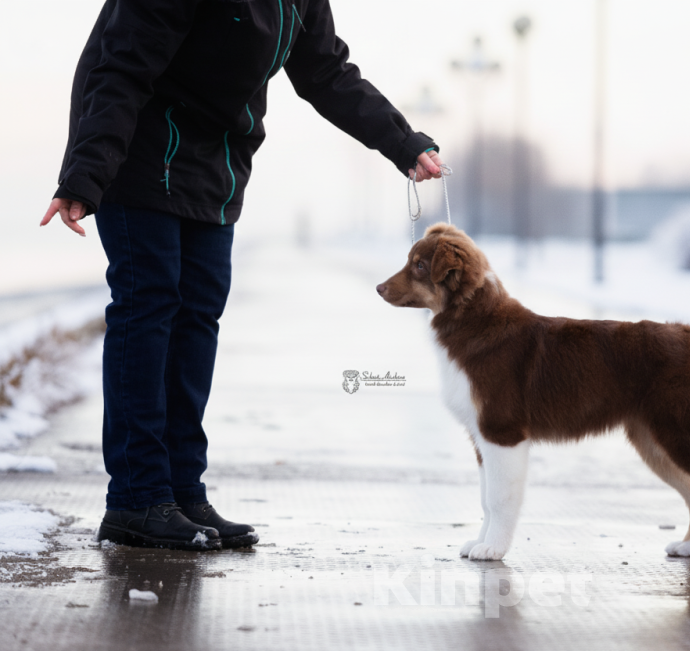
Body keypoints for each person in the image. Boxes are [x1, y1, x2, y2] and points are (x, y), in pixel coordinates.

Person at [41, 0, 445, 551]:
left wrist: (403, 143)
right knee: (148, 309)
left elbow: (326, 71)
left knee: (197, 319)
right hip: (139, 149)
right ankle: (137, 498)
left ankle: (181, 492)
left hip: (216, 165)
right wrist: (86, 173)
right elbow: (121, 65)